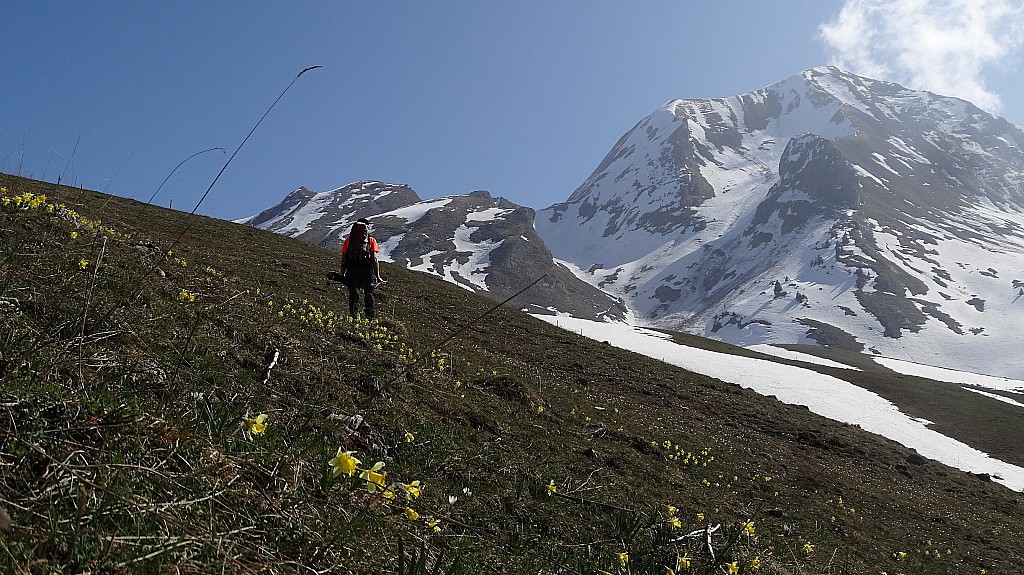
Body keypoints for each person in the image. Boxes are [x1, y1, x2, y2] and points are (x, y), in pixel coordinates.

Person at [340, 218, 382, 320]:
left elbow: (344, 258)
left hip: (352, 270)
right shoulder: (371, 240)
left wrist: (342, 274)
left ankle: (355, 316)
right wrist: (378, 276)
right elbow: (374, 258)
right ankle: (370, 317)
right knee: (369, 293)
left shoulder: (349, 240)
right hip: (366, 270)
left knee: (354, 294)